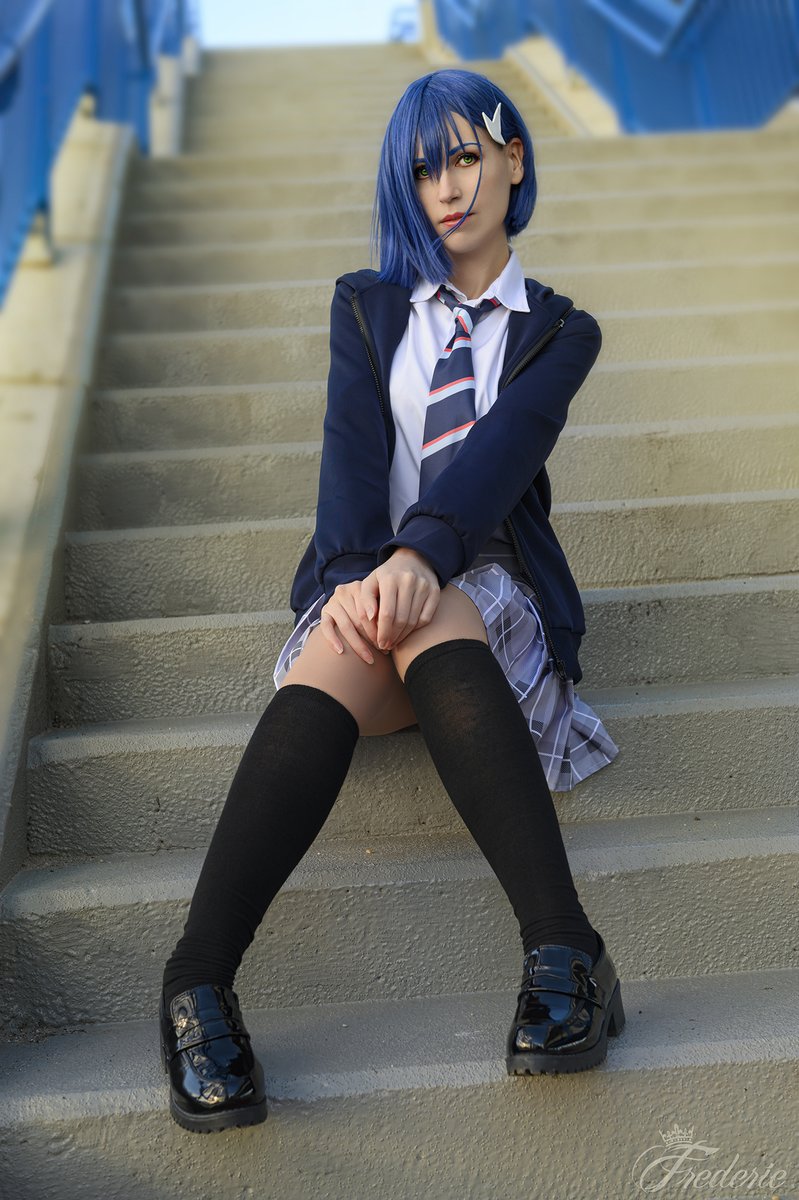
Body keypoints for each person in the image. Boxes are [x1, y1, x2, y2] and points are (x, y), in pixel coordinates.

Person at [159, 67, 626, 1134]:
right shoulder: (367, 307)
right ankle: (194, 983)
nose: (447, 188)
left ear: (513, 157)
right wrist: (350, 581)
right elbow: (348, 465)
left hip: (485, 588)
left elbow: (500, 457)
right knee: (348, 639)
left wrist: (423, 556)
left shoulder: (560, 331)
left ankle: (563, 946)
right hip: (369, 585)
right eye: (422, 170)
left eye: (465, 156)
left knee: (437, 605)